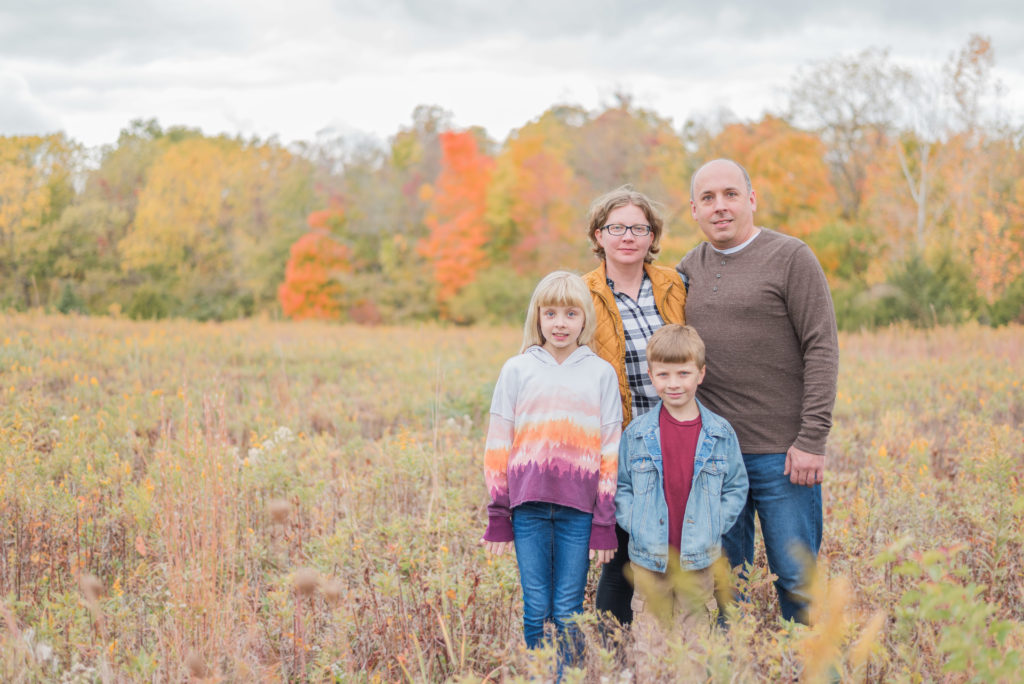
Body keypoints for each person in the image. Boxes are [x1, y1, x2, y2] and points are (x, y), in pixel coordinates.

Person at [677, 159, 839, 624]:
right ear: (694, 209)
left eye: (730, 194)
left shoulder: (791, 257)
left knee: (797, 578)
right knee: (728, 584)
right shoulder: (688, 268)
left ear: (752, 199)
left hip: (782, 455)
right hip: (714, 457)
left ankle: (811, 668)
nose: (720, 207)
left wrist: (811, 440)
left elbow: (822, 349)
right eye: (708, 198)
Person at [480, 271, 622, 668]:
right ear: (537, 317)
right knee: (536, 606)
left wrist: (604, 522)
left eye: (571, 314)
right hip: (529, 510)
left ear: (585, 320)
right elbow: (498, 445)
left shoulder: (600, 373)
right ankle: (540, 674)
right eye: (552, 313)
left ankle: (568, 676)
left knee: (568, 609)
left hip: (579, 512)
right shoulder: (517, 369)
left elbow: (610, 450)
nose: (560, 323)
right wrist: (498, 513)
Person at [582, 185, 687, 625]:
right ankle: (612, 649)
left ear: (652, 236)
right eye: (617, 227)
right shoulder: (580, 292)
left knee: (681, 547)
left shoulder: (673, 284)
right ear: (599, 234)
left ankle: (677, 648)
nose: (628, 236)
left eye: (639, 228)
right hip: (621, 443)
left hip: (677, 435)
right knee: (622, 554)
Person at [614, 324, 747, 645]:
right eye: (664, 375)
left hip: (699, 560)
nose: (673, 384)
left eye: (683, 373)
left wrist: (712, 525)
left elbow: (736, 487)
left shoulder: (719, 432)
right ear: (650, 375)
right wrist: (638, 525)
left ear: (701, 374)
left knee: (696, 644)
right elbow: (623, 489)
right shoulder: (637, 433)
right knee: (650, 645)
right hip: (649, 560)